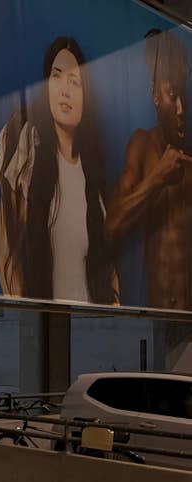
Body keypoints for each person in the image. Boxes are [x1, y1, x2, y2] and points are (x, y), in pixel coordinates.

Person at [0, 36, 119, 304]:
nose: (65, 90)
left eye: (75, 82)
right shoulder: (27, 153)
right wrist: (25, 318)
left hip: (93, 322)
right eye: (57, 76)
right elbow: (7, 254)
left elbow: (109, 272)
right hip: (44, 324)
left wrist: (115, 314)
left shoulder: (92, 179)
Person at [106, 28, 192, 311]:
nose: (181, 109)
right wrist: (158, 178)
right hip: (156, 320)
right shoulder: (142, 146)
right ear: (155, 95)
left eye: (184, 97)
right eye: (172, 96)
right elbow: (111, 228)